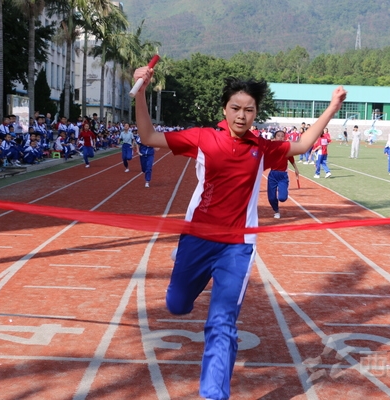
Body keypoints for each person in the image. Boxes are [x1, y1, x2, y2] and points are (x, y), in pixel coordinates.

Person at [133, 65, 346, 400]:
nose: (242, 115)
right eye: (236, 108)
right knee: (176, 305)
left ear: (256, 113)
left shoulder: (261, 148)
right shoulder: (203, 138)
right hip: (198, 238)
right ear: (224, 110)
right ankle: (187, 278)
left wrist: (332, 107)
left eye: (249, 110)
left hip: (237, 246)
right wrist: (141, 90)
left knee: (222, 324)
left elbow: (303, 144)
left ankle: (214, 394)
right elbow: (147, 136)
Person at [267, 130, 299, 218]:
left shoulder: (287, 148)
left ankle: (283, 191)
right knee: (271, 198)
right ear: (275, 137)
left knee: (282, 198)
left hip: (283, 176)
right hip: (272, 175)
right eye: (278, 135)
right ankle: (276, 211)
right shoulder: (271, 147)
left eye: (282, 136)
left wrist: (296, 169)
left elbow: (291, 159)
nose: (280, 137)